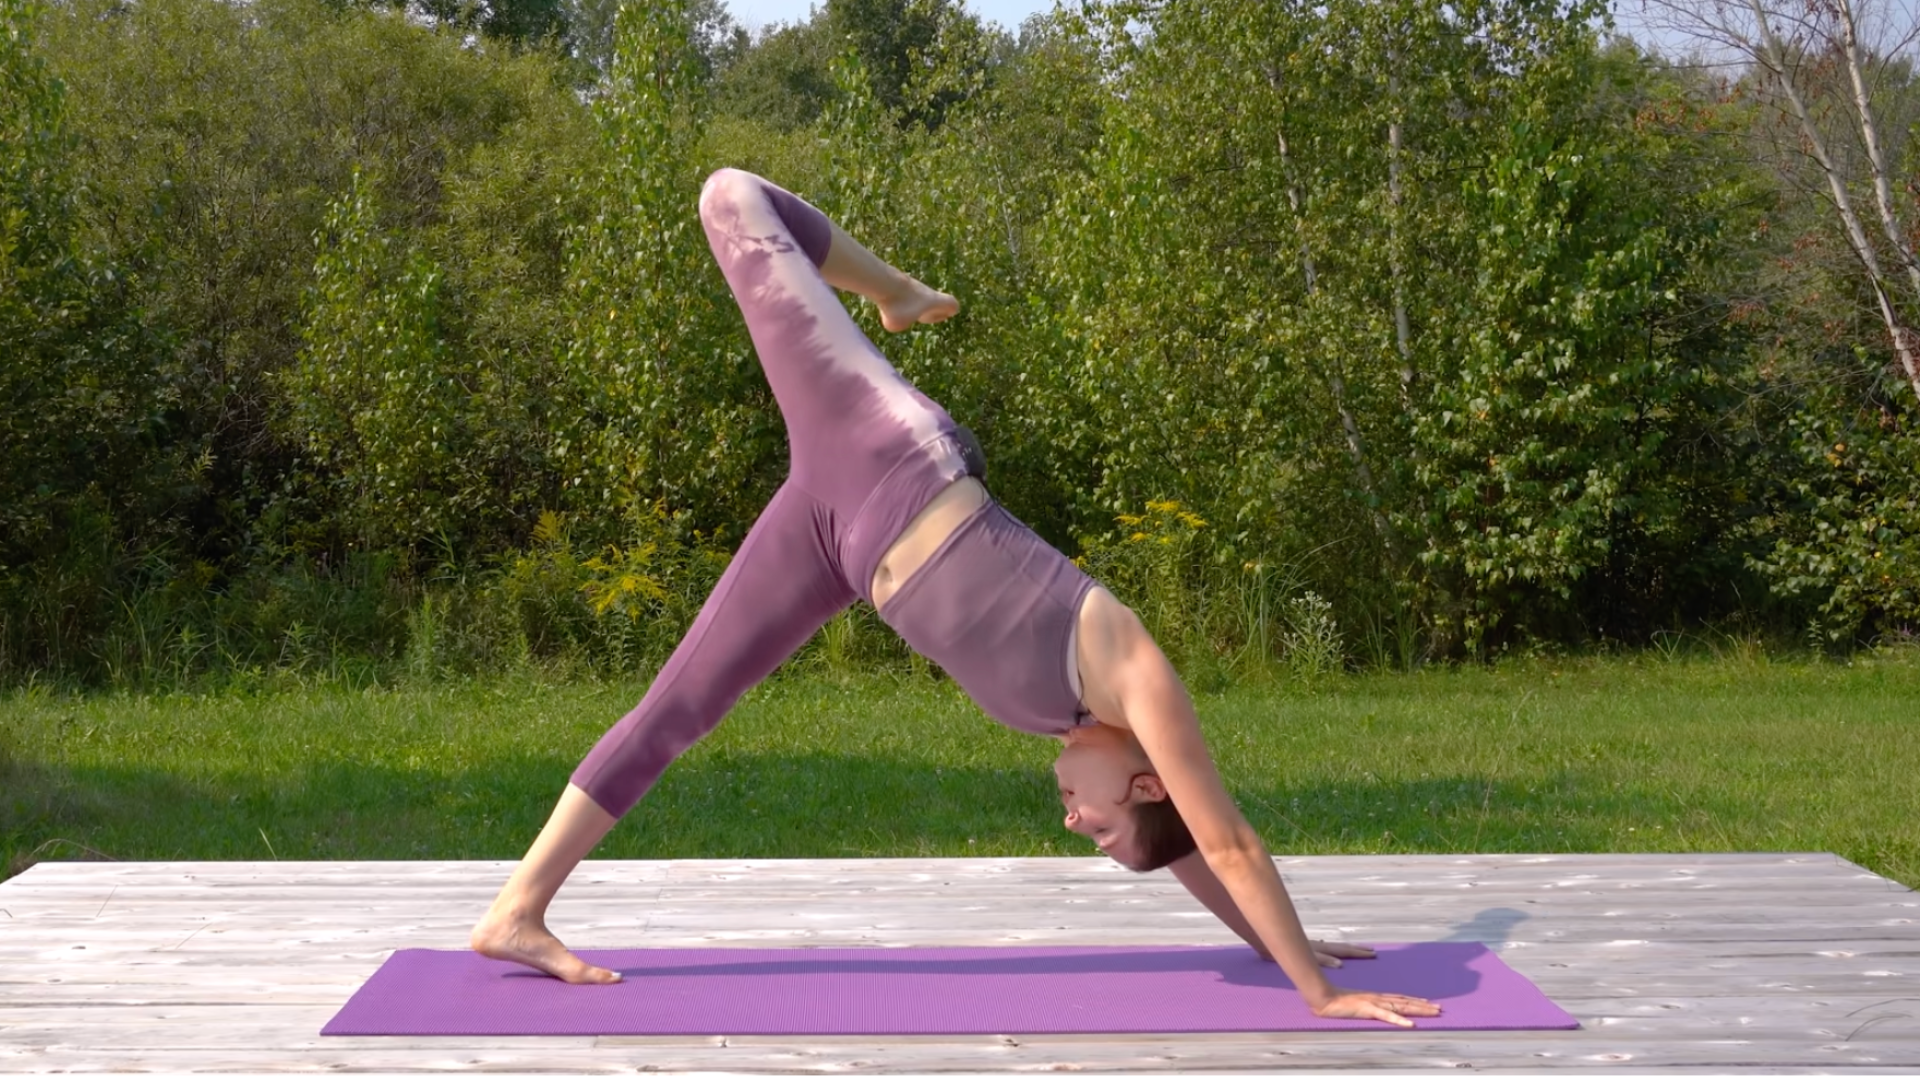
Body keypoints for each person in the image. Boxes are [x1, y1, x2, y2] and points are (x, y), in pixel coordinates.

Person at [470, 168, 1441, 1028]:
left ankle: (515, 911)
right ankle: (898, 293)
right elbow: (1224, 838)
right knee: (731, 197)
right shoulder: (1132, 674)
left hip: (834, 536)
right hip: (888, 455)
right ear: (1144, 781)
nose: (1074, 825)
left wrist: (1289, 949)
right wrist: (1318, 995)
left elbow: (1185, 850)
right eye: (1098, 826)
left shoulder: (1087, 738)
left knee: (675, 709)